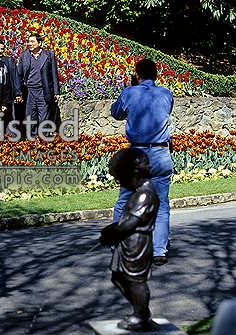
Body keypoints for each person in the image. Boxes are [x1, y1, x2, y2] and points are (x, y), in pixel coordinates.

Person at [110, 58, 174, 266]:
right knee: (162, 204)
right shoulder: (166, 94)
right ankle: (158, 250)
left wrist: (131, 88)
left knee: (124, 201)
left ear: (137, 74)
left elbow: (116, 113)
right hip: (161, 152)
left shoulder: (130, 93)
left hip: (137, 153)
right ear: (157, 75)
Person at [100, 148, 159, 331]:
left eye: (122, 179)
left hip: (137, 244)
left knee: (135, 280)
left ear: (134, 174)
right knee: (119, 278)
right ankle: (139, 310)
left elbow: (130, 224)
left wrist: (112, 232)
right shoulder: (138, 192)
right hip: (127, 243)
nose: (121, 184)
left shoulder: (145, 195)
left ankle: (141, 315)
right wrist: (112, 232)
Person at [17, 34, 60, 139]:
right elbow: (19, 75)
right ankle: (31, 140)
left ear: (39, 43)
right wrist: (18, 92)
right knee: (30, 117)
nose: (29, 44)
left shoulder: (49, 55)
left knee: (44, 118)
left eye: (32, 41)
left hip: (43, 91)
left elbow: (54, 74)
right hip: (30, 91)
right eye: (28, 41)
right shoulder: (24, 56)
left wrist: (56, 92)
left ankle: (43, 141)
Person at [0, 40, 23, 135]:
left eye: (2, 49)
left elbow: (15, 77)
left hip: (8, 95)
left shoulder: (9, 60)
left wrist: (18, 93)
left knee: (10, 119)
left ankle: (12, 140)